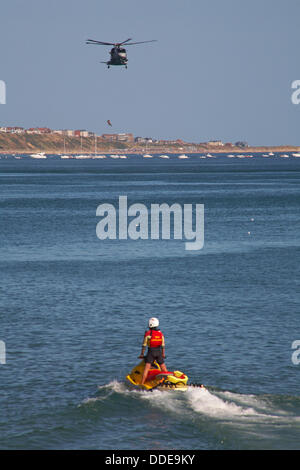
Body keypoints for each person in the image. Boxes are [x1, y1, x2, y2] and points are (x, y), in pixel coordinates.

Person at [139, 317, 167, 385]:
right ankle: (167, 381)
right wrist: (163, 354)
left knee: (146, 369)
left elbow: (144, 345)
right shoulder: (161, 334)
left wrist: (142, 354)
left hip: (151, 352)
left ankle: (142, 384)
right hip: (159, 352)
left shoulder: (148, 334)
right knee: (164, 369)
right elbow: (163, 345)